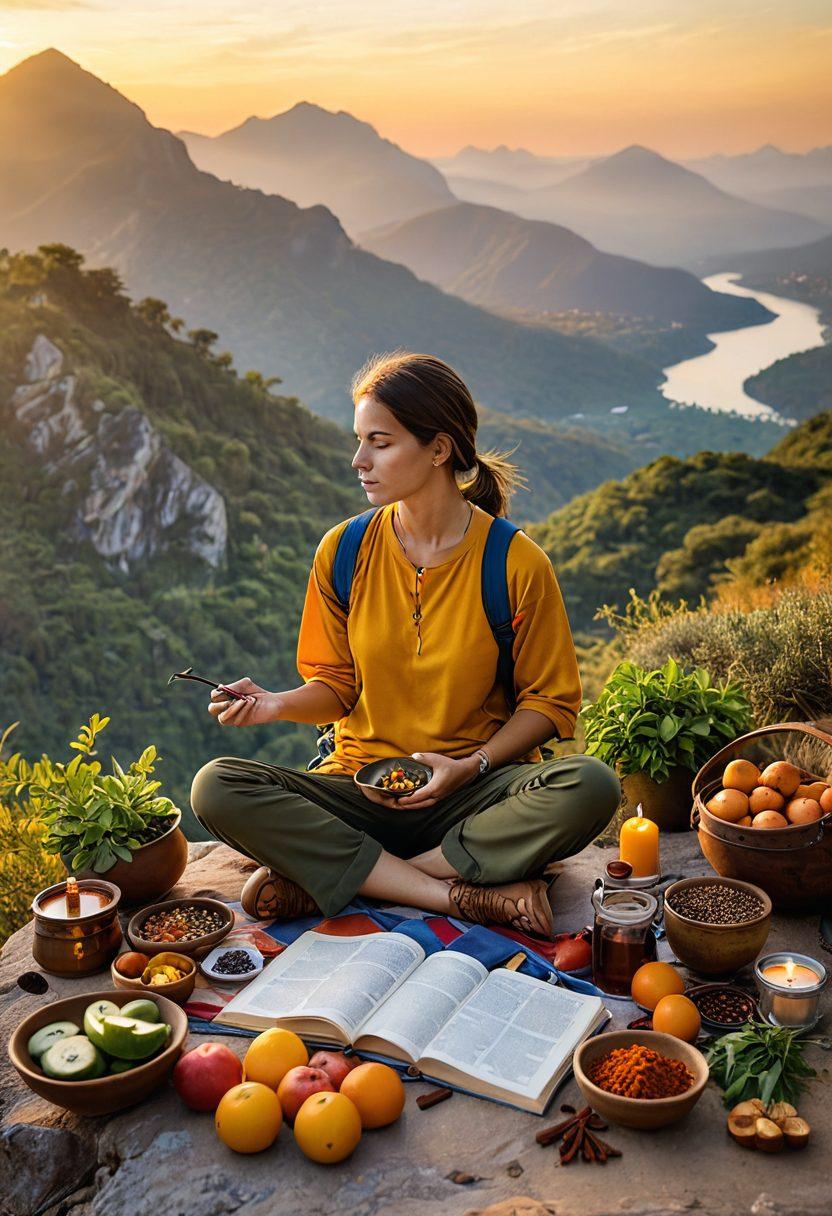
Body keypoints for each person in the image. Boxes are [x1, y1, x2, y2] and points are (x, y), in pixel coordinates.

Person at [190, 351, 620, 938]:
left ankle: (365, 879)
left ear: (439, 449)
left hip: (473, 798)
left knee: (592, 786)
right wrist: (275, 704)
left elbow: (551, 704)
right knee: (216, 786)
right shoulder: (343, 551)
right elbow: (337, 688)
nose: (358, 460)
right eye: (359, 440)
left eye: (380, 442)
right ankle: (455, 895)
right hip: (360, 788)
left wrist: (470, 767)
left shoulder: (515, 563)